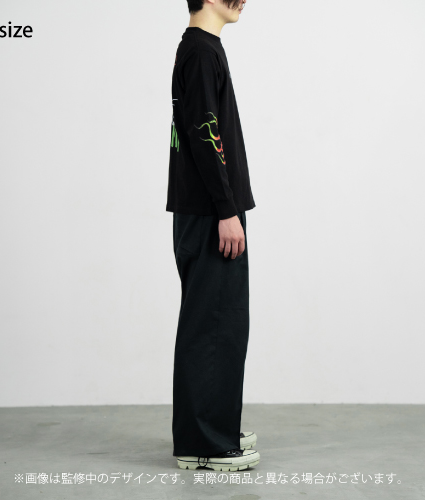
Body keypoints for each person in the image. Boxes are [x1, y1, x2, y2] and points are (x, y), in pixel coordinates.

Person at [166, 0, 260, 472]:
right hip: (211, 213)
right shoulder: (201, 52)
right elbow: (205, 136)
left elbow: (205, 130)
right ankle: (203, 443)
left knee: (219, 321)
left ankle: (213, 426)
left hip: (206, 210)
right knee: (214, 324)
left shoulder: (201, 48)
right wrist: (227, 209)